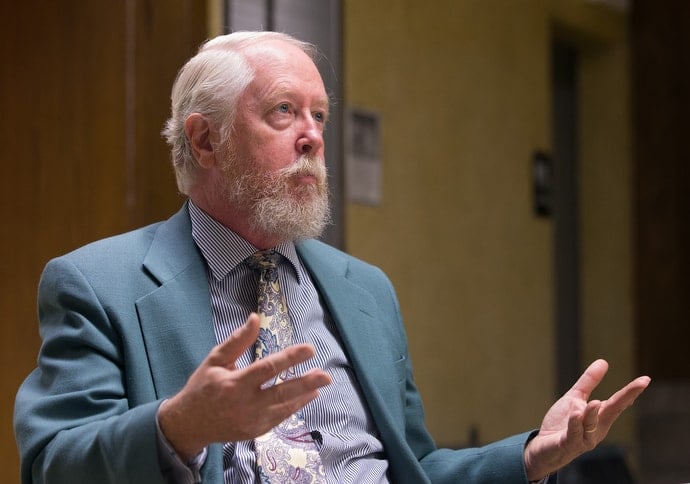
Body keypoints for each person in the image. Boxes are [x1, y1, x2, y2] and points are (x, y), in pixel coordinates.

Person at [14, 31, 650, 484]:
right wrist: (179, 426)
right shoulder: (99, 285)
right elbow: (53, 464)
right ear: (206, 140)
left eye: (319, 114)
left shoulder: (364, 289)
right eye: (283, 111)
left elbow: (414, 468)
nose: (313, 135)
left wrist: (533, 455)